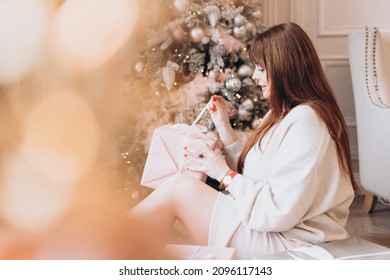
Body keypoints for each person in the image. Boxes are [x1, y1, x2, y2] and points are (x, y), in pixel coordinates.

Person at [129, 22, 361, 259]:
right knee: (172, 203)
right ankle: (112, 247)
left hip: (290, 243)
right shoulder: (283, 114)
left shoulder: (307, 122)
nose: (256, 75)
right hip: (271, 231)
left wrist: (223, 173)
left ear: (284, 68)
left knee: (179, 190)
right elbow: (256, 173)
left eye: (261, 68)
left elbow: (277, 212)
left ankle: (106, 245)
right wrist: (223, 126)